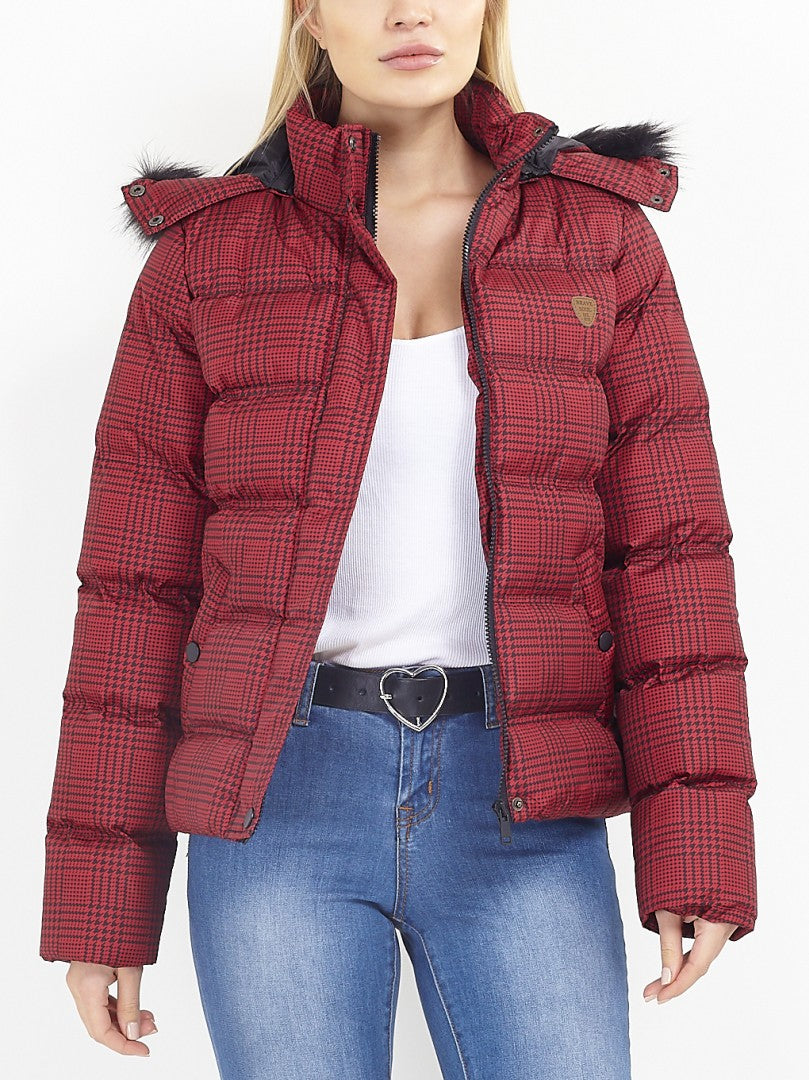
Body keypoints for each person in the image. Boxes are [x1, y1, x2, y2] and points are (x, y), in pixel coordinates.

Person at [39, 1, 758, 1076]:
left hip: (524, 799)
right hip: (278, 800)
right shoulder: (207, 257)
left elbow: (671, 562)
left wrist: (695, 850)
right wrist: (102, 904)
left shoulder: (596, 238)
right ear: (310, 16)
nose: (411, 10)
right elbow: (133, 591)